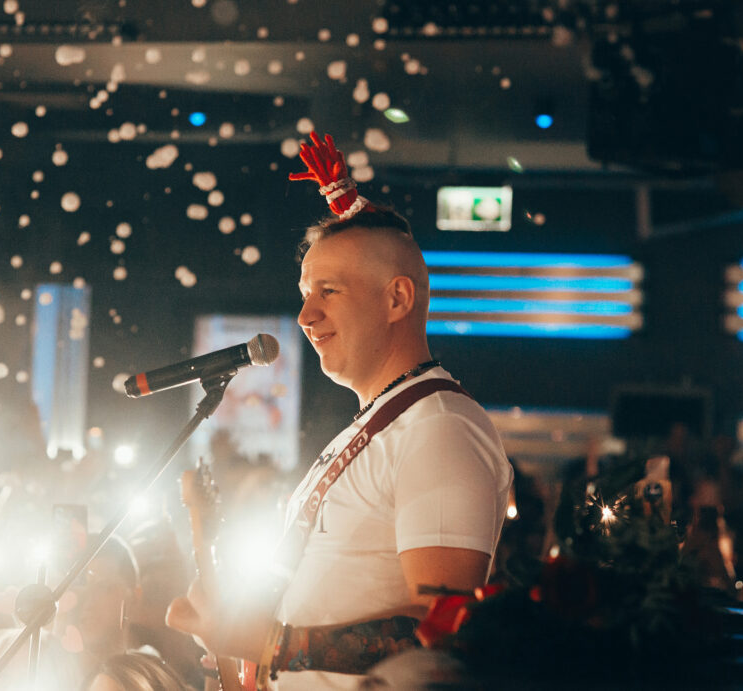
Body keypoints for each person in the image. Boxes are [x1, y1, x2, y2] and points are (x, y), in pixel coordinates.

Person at [167, 132, 512, 689]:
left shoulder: (438, 426)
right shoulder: (381, 423)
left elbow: (448, 630)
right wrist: (243, 649)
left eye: (328, 290)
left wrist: (271, 644)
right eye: (305, 292)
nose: (305, 315)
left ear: (397, 299)